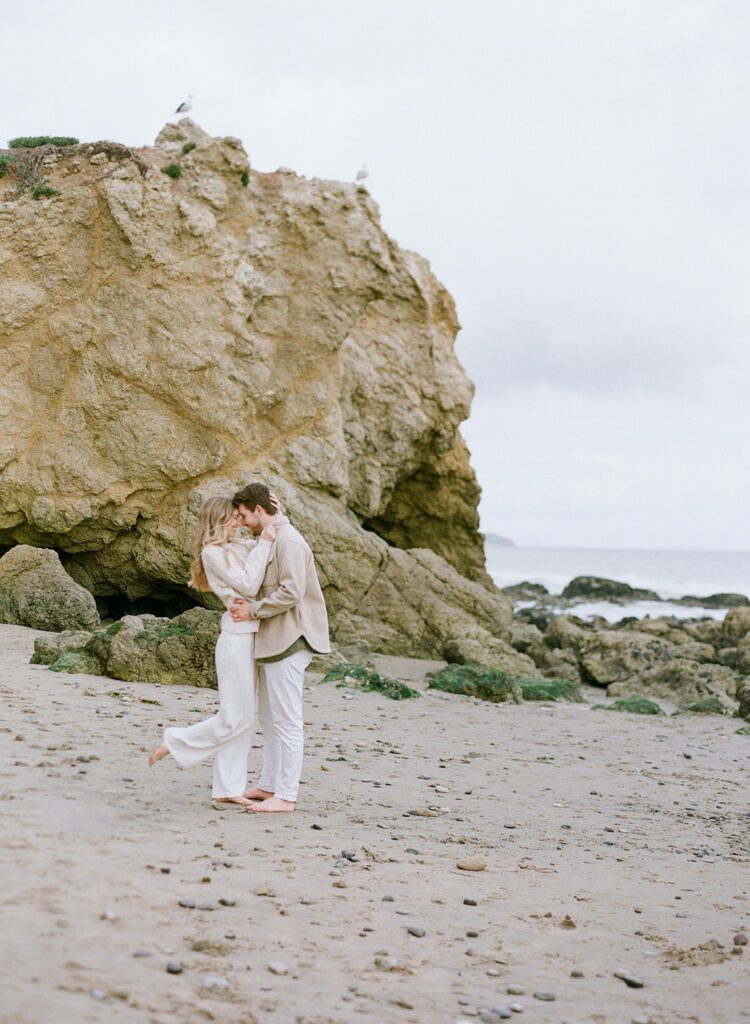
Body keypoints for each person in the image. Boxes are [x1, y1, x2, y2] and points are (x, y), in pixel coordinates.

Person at [148, 496, 276, 808]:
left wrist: (273, 518)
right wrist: (262, 545)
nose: (239, 523)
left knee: (244, 719)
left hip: (250, 639)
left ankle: (228, 788)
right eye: (234, 518)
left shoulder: (234, 547)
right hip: (234, 642)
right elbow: (247, 585)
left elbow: (265, 542)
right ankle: (176, 741)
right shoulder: (212, 553)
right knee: (234, 716)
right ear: (219, 520)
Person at [229, 482, 331, 813]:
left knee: (287, 719)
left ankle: (286, 795)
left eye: (245, 515)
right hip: (275, 639)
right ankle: (269, 784)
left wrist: (252, 610)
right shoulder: (274, 536)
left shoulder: (289, 542)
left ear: (260, 510)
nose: (242, 521)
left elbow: (291, 592)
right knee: (270, 719)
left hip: (291, 638)